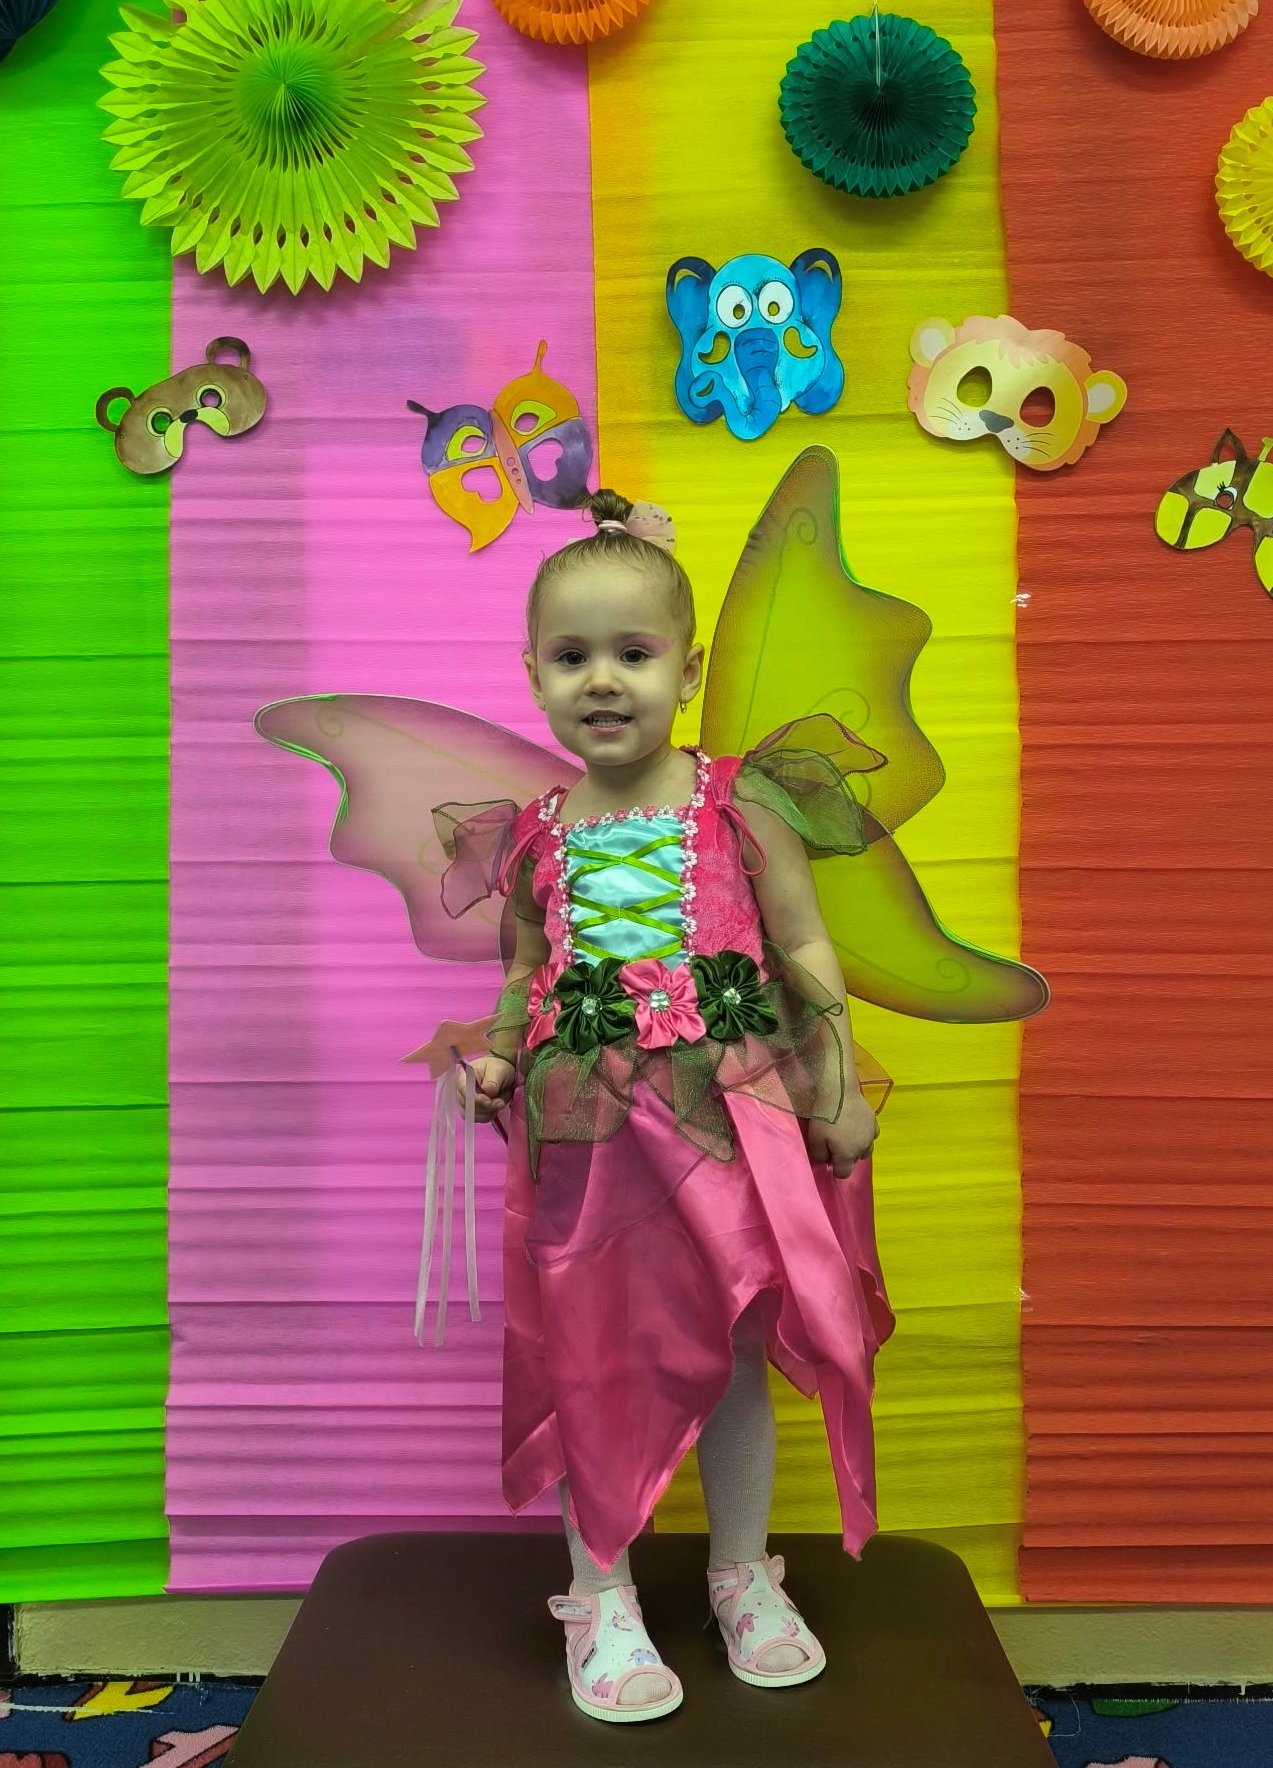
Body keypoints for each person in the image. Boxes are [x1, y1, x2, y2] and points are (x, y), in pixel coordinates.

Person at [450, 490, 894, 1724]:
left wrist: (836, 1084)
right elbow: (524, 968)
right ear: (533, 675)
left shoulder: (741, 799)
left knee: (735, 1340)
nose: (603, 679)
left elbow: (803, 940)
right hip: (586, 1137)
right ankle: (600, 1591)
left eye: (634, 652)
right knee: (587, 1350)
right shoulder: (531, 834)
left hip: (725, 1117)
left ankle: (741, 1573)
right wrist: (498, 1054)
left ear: (688, 670)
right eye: (571, 655)